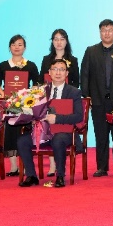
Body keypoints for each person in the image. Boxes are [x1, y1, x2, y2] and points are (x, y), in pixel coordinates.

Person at [16, 59, 84, 188]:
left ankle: (60, 176)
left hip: (65, 132)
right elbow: (32, 110)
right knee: (22, 141)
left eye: (61, 69)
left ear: (67, 73)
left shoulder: (74, 92)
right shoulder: (40, 91)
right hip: (43, 132)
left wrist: (57, 118)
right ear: (49, 72)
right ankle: (31, 176)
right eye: (55, 69)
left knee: (58, 139)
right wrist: (32, 117)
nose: (58, 73)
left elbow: (78, 116)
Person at [80, 19, 113, 177]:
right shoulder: (91, 51)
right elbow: (85, 75)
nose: (107, 33)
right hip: (98, 100)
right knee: (101, 135)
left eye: (110, 30)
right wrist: (87, 96)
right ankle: (102, 167)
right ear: (100, 32)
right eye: (104, 30)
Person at [0, 35, 40, 177]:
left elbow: (37, 84)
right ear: (9, 47)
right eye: (13, 44)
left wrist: (28, 95)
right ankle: (14, 167)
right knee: (10, 134)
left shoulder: (30, 65)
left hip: (25, 106)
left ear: (24, 47)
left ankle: (24, 165)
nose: (16, 47)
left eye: (20, 44)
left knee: (23, 134)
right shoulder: (3, 65)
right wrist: (4, 94)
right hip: (9, 105)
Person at [38, 28, 80, 176]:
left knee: (59, 130)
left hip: (65, 100)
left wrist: (65, 95)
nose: (59, 42)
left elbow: (76, 82)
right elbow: (41, 80)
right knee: (48, 126)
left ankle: (59, 165)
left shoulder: (73, 60)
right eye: (56, 39)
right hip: (49, 98)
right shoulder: (46, 59)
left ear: (66, 41)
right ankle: (52, 166)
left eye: (62, 39)